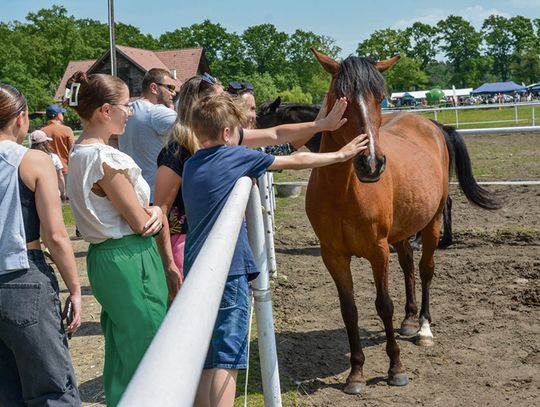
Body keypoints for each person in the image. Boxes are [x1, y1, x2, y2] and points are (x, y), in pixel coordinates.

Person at [183, 93, 369, 407]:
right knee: (227, 359)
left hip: (196, 268)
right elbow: (296, 160)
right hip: (228, 274)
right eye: (237, 131)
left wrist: (321, 124)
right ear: (228, 134)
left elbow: (274, 134)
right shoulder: (235, 157)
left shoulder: (191, 163)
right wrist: (341, 154)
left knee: (208, 355)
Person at [154, 74, 350, 297]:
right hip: (188, 246)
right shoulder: (176, 153)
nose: (231, 103)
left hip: (224, 243)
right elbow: (162, 211)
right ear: (204, 106)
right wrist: (169, 264)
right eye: (223, 98)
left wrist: (321, 124)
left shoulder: (224, 139)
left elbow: (275, 134)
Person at [65, 71, 171, 406]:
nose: (130, 112)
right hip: (130, 257)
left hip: (104, 257)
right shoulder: (106, 158)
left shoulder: (77, 152)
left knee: (121, 346)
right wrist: (158, 212)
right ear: (104, 111)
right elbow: (141, 222)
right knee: (148, 346)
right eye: (126, 105)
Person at [0, 84, 81, 406]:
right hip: (22, 275)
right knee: (51, 388)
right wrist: (74, 288)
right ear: (21, 118)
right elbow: (56, 235)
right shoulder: (31, 160)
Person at [118, 68, 177, 202]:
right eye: (170, 87)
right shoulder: (157, 112)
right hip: (156, 196)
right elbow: (197, 129)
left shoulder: (127, 110)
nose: (173, 93)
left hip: (133, 194)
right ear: (154, 87)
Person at [41, 103, 75, 187]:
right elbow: (73, 150)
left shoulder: (42, 131)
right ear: (58, 116)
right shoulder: (67, 130)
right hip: (66, 169)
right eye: (61, 113)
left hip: (49, 170)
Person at [30, 129, 66, 200]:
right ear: (45, 143)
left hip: (34, 194)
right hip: (52, 192)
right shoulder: (53, 157)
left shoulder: (28, 157)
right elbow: (60, 176)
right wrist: (63, 192)